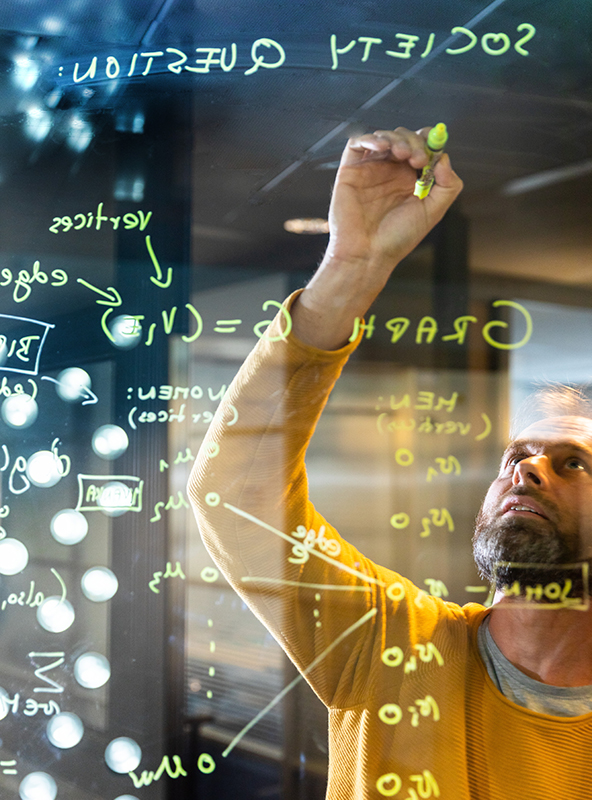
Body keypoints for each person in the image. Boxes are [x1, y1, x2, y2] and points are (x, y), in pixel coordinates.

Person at [188, 126, 592, 799]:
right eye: (516, 456)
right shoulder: (392, 641)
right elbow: (236, 496)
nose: (526, 469)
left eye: (572, 462)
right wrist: (351, 266)